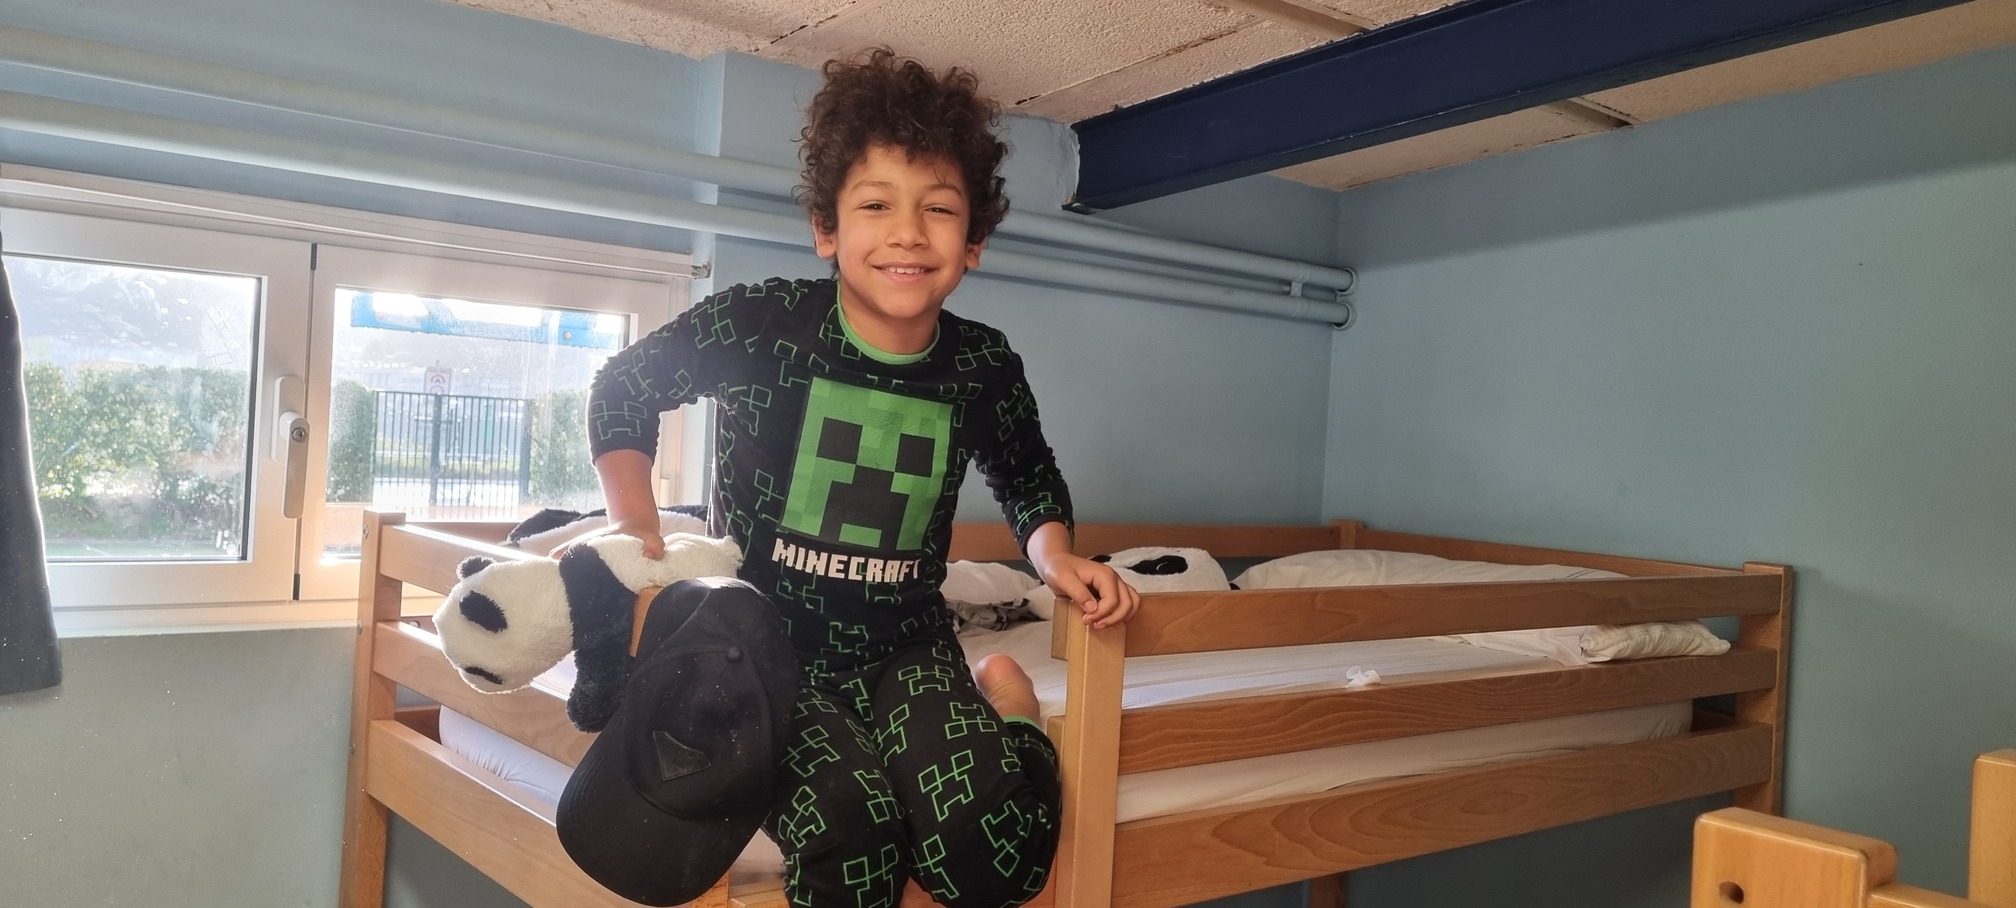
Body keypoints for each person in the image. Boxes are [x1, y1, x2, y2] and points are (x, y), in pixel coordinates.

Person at [581, 48, 1140, 908]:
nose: (908, 231)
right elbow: (624, 386)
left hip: (907, 645)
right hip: (768, 651)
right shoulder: (763, 323)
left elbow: (1026, 472)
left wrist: (1056, 557)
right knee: (852, 835)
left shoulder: (984, 365)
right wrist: (634, 522)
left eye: (939, 209)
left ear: (974, 242)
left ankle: (1015, 710)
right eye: (876, 204)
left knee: (992, 860)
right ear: (827, 229)